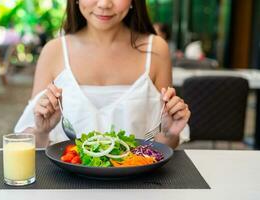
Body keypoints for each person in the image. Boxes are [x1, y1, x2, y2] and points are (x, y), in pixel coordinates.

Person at [15, 0, 191, 149]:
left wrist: (168, 134)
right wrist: (41, 131)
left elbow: (163, 149)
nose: (105, 4)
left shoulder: (156, 50)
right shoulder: (53, 51)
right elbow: (33, 143)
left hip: (137, 184)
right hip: (65, 185)